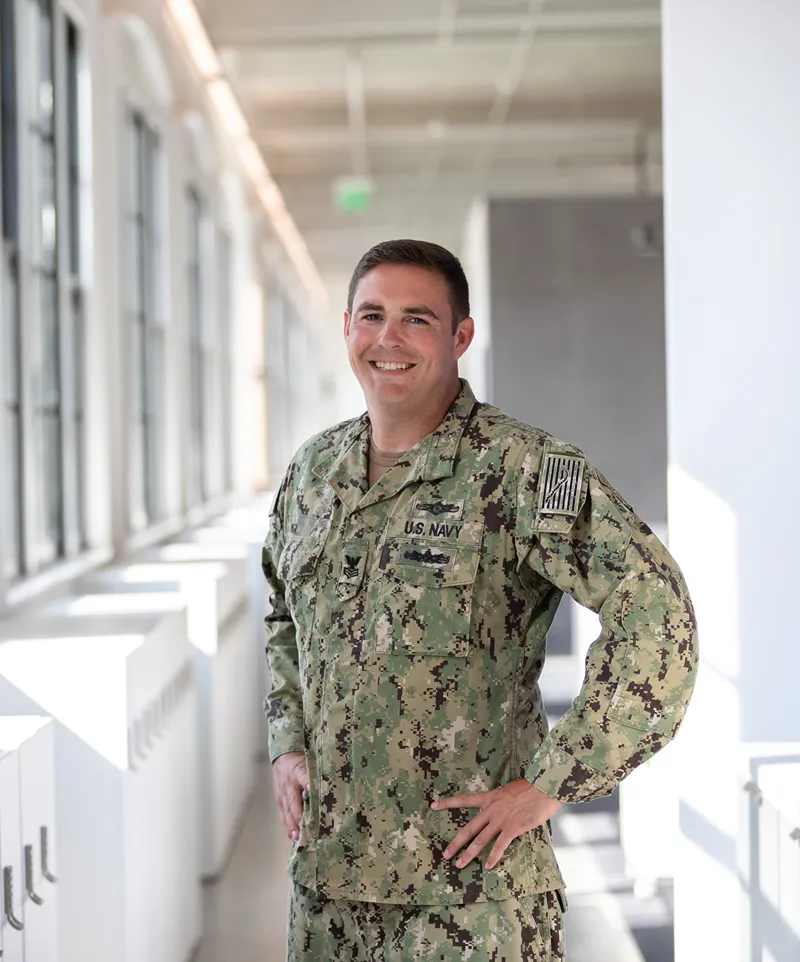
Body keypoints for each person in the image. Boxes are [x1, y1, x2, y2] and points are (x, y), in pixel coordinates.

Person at [262, 239, 698, 961]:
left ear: (461, 335)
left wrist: (555, 781)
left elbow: (657, 618)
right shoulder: (313, 473)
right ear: (346, 329)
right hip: (329, 898)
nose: (388, 339)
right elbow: (283, 612)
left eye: (417, 319)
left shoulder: (525, 470)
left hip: (471, 905)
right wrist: (287, 743)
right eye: (371, 315)